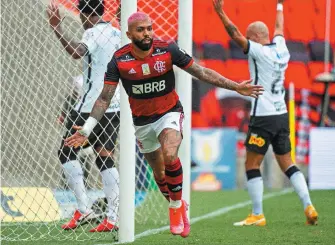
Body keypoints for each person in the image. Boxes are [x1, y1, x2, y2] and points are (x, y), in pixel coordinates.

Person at [64, 12, 263, 237]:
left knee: (170, 155)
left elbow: (201, 71)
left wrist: (235, 86)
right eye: (141, 30)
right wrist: (88, 128)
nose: (147, 33)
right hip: (142, 123)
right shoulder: (119, 60)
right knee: (159, 174)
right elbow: (104, 98)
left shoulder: (167, 49)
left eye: (149, 28)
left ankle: (176, 208)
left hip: (169, 113)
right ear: (129, 34)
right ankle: (178, 204)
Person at [213, 0, 318, 226]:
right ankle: (308, 204)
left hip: (263, 116)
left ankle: (258, 214)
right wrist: (279, 5)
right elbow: (279, 27)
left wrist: (221, 12)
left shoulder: (258, 52)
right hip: (281, 115)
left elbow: (235, 34)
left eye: (250, 39)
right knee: (288, 163)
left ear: (255, 38)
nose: (247, 42)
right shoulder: (282, 47)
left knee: (251, 164)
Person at [47, 0, 121, 232]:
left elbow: (77, 52)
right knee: (104, 157)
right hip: (114, 105)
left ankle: (84, 208)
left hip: (89, 106)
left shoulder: (92, 32)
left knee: (66, 152)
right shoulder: (117, 33)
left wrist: (56, 27)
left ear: (82, 13)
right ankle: (113, 217)